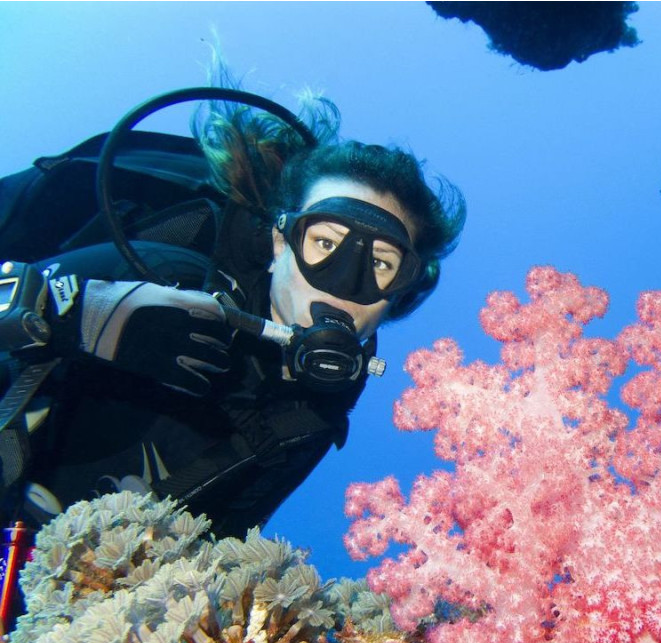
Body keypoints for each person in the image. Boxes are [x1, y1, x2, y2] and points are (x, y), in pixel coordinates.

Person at [0, 85, 466, 547]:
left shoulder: (309, 419)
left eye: (381, 264)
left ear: (399, 296)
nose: (343, 282)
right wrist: (70, 319)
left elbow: (221, 551)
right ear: (280, 243)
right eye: (324, 243)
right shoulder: (164, 271)